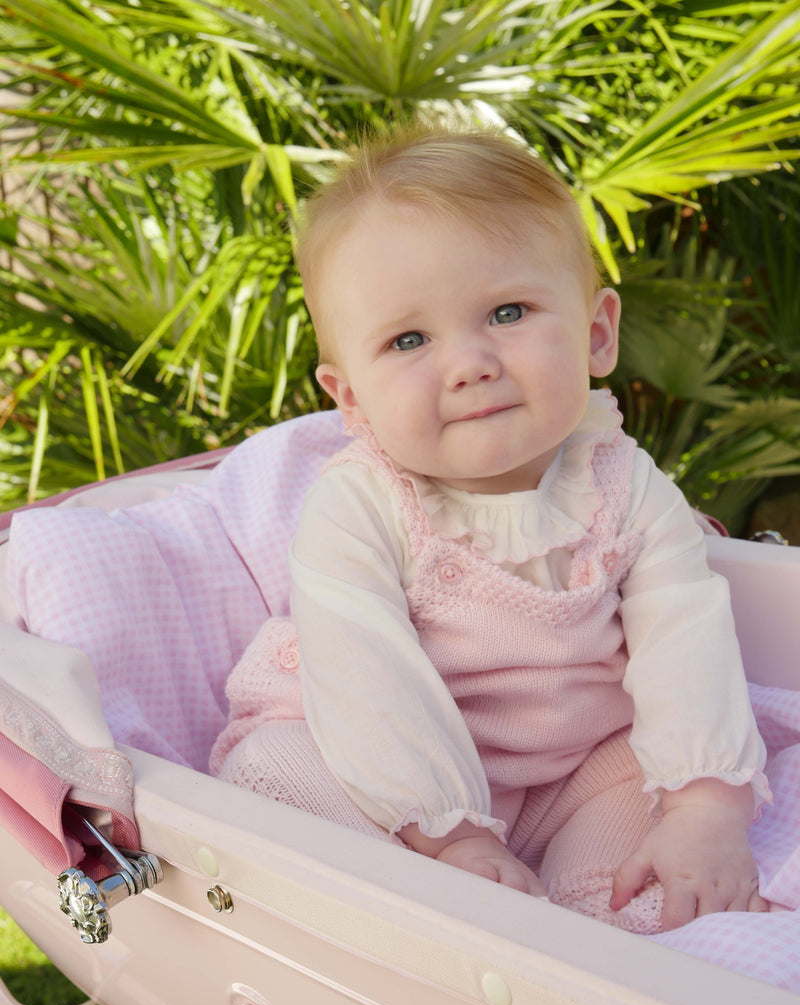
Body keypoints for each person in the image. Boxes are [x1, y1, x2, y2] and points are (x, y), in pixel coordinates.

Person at [210, 122, 772, 933]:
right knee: (271, 774)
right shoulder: (360, 507)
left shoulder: (625, 483)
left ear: (596, 333)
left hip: (578, 764)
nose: (469, 361)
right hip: (381, 766)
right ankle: (432, 886)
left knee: (646, 886)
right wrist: (451, 836)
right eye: (409, 338)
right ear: (352, 397)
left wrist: (706, 803)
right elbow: (369, 682)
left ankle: (578, 928)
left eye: (507, 311)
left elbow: (685, 639)